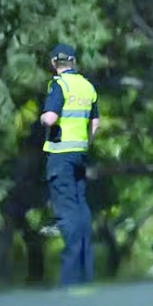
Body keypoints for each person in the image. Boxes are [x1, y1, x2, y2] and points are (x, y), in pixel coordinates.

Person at [40, 44, 99, 286]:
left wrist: (43, 118)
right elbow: (95, 123)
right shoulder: (87, 86)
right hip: (79, 154)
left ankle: (70, 276)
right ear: (73, 61)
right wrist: (85, 144)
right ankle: (86, 271)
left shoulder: (59, 85)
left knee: (67, 213)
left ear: (54, 63)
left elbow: (50, 118)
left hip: (60, 155)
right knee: (81, 210)